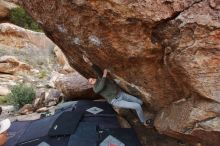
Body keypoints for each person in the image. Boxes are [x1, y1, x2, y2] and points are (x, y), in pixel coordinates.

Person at [83, 55, 152, 127]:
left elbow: (96, 70)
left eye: (92, 78)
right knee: (137, 106)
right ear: (91, 84)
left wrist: (89, 62)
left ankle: (136, 111)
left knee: (140, 102)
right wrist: (104, 76)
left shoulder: (100, 78)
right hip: (115, 101)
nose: (93, 79)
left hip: (121, 94)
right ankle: (144, 122)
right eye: (91, 81)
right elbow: (101, 86)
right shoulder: (95, 89)